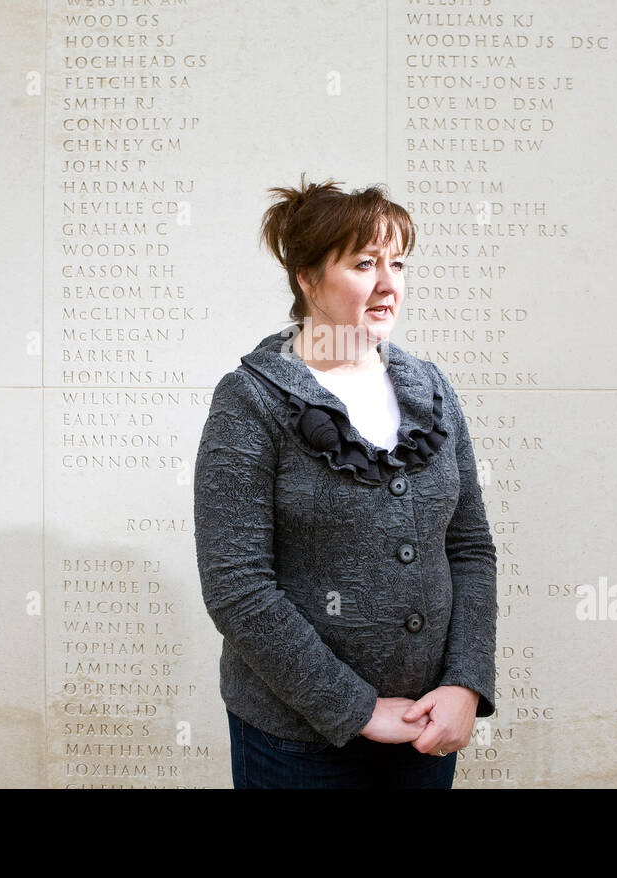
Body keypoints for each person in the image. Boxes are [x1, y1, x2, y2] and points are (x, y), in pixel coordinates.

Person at [193, 174, 498, 788]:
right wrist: (355, 709)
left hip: (425, 729)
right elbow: (237, 586)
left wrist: (465, 682)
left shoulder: (431, 391)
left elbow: (470, 549)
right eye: (365, 264)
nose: (389, 285)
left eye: (398, 263)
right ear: (307, 277)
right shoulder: (251, 400)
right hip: (297, 746)